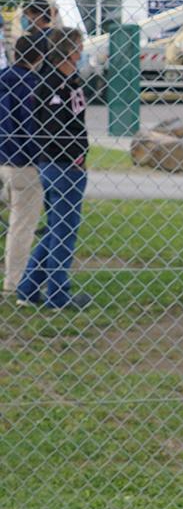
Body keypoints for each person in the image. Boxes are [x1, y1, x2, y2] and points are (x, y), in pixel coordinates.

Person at [17, 28, 90, 311]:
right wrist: (76, 157)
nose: (82, 52)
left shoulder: (55, 80)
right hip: (63, 164)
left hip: (50, 163)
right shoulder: (60, 83)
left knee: (55, 228)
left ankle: (28, 289)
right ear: (69, 51)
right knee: (65, 231)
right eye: (79, 46)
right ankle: (58, 295)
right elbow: (58, 125)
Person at [0, 33, 45, 294]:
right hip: (22, 164)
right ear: (40, 57)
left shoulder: (3, 79)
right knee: (21, 226)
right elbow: (31, 127)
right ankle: (14, 282)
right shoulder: (30, 85)